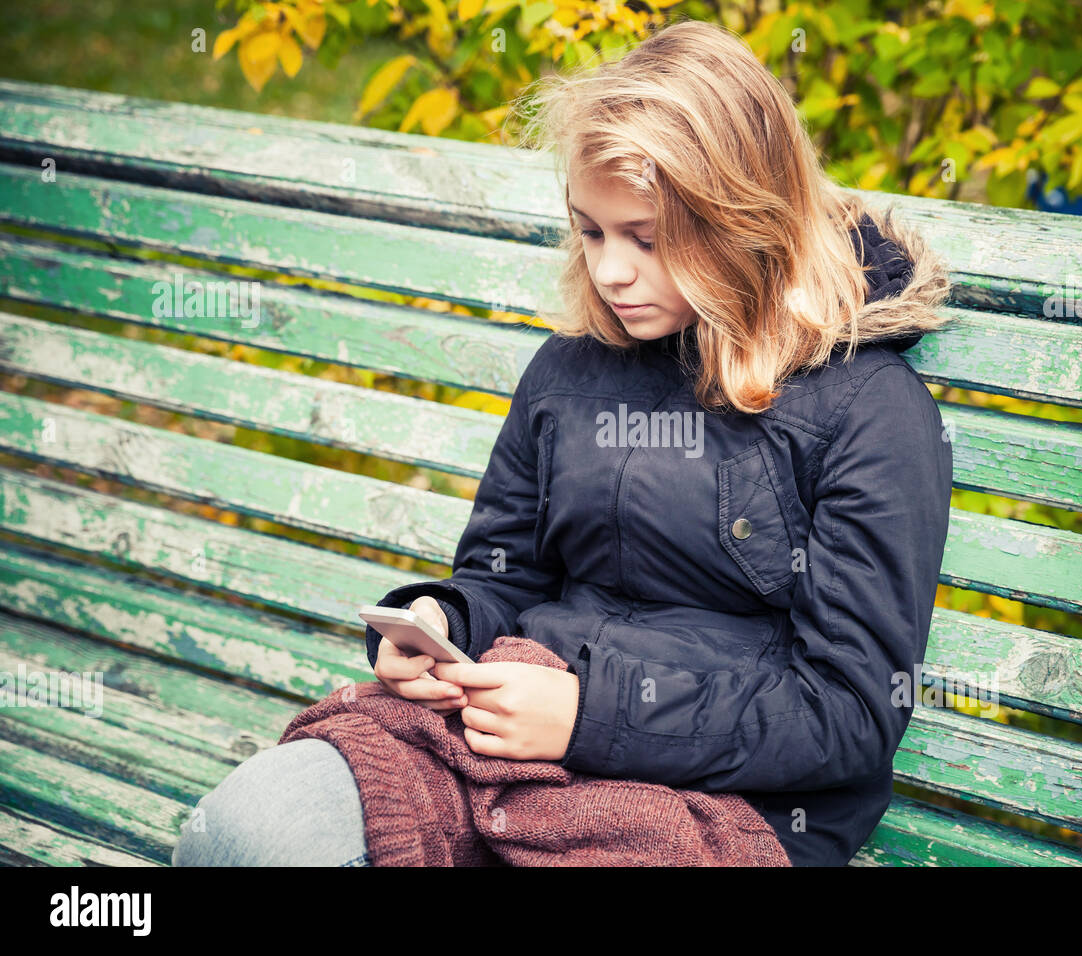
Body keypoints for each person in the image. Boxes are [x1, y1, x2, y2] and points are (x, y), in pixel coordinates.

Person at [173, 17, 953, 868]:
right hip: (495, 735)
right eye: (591, 231)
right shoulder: (568, 372)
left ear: (740, 219)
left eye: (647, 238)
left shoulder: (869, 407)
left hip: (716, 803)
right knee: (241, 837)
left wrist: (590, 717)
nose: (612, 270)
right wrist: (444, 622)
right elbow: (505, 571)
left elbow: (847, 714)